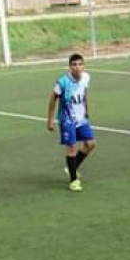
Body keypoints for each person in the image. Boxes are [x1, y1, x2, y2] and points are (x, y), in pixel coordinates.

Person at [46, 54, 95, 193]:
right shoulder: (62, 82)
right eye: (74, 64)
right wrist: (50, 120)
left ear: (84, 66)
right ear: (70, 67)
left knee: (90, 144)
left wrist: (87, 109)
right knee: (72, 148)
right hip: (67, 120)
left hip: (81, 118)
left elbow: (84, 93)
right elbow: (52, 100)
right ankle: (74, 181)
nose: (77, 67)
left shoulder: (86, 77)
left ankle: (71, 168)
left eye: (80, 64)